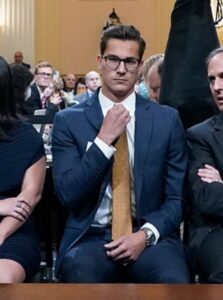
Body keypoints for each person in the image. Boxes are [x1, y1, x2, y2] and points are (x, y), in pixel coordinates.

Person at [52, 24, 189, 283]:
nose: (121, 69)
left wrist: (146, 234)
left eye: (130, 61)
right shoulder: (68, 121)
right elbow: (68, 193)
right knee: (81, 281)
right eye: (113, 59)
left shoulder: (166, 120)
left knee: (174, 282)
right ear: (100, 62)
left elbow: (177, 198)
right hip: (91, 237)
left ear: (139, 67)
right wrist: (104, 140)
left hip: (149, 236)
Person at [0, 56, 46, 282]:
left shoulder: (26, 137)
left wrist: (0, 233)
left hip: (13, 231)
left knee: (3, 278)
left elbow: (30, 197)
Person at [186, 46, 223, 283]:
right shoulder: (200, 135)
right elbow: (208, 199)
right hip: (215, 231)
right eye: (212, 79)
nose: (217, 87)